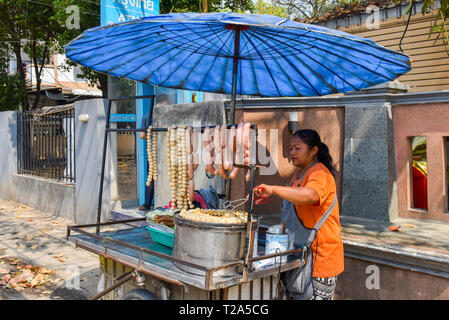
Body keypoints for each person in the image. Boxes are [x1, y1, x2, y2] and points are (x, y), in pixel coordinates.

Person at [254, 129, 344, 300]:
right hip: (300, 254)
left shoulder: (320, 173)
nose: (292, 153)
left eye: (297, 148)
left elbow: (310, 195)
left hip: (320, 258)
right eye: (290, 149)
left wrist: (274, 189)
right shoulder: (298, 174)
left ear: (314, 150)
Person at [138, 94, 170, 211]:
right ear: (165, 102)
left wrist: (152, 138)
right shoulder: (167, 116)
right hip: (166, 150)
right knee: (167, 175)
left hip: (153, 151)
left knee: (151, 176)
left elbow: (142, 135)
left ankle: (146, 204)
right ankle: (166, 202)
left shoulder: (147, 116)